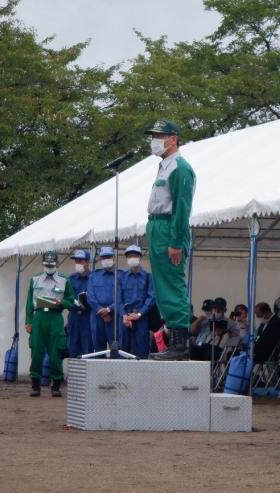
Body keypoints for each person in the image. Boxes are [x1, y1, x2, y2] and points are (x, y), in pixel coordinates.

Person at [144, 119, 197, 361]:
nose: (154, 140)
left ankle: (180, 344)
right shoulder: (164, 166)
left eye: (159, 135)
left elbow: (182, 208)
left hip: (169, 227)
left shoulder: (180, 168)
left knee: (173, 285)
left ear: (173, 139)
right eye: (153, 135)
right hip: (156, 224)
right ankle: (171, 339)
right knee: (162, 286)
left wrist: (175, 241)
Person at [25, 251, 75, 397]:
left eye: (51, 264)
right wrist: (28, 321)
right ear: (43, 264)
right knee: (36, 351)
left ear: (56, 264)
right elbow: (29, 302)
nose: (49, 267)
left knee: (56, 352)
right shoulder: (35, 279)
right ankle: (35, 385)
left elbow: (72, 300)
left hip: (55, 317)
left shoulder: (64, 280)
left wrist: (62, 303)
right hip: (39, 316)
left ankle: (56, 386)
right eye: (46, 264)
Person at [120, 245, 156, 359]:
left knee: (142, 349)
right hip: (125, 319)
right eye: (129, 256)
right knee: (123, 350)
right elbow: (117, 298)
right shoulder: (121, 277)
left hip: (142, 318)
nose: (132, 258)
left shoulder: (148, 277)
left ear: (140, 257)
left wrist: (140, 314)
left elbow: (151, 297)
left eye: (135, 256)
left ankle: (142, 375)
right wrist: (123, 315)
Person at [87, 246, 122, 353]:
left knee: (116, 350)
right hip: (97, 318)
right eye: (103, 258)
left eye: (108, 257)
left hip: (114, 317)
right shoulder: (94, 276)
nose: (106, 260)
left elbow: (121, 297)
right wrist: (102, 312)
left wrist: (108, 310)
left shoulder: (121, 275)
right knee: (98, 351)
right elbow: (90, 297)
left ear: (114, 258)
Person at [66, 249, 93, 358]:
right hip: (73, 317)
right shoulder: (71, 278)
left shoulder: (93, 277)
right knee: (72, 346)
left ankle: (88, 374)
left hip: (88, 317)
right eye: (76, 261)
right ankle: (73, 373)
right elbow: (66, 297)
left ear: (87, 262)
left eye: (80, 261)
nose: (78, 264)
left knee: (88, 348)